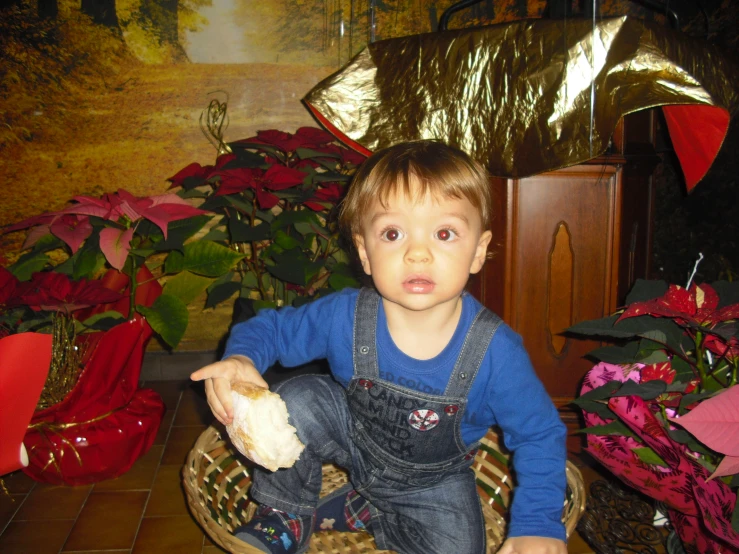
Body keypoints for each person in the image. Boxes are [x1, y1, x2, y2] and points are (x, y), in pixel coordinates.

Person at [191, 140, 568, 554]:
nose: (418, 253)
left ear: (478, 251)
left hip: (434, 483)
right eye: (393, 233)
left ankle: (366, 510)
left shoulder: (497, 351)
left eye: (444, 233)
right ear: (364, 253)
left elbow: (539, 434)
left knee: (461, 547)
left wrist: (538, 523)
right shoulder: (345, 315)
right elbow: (275, 331)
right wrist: (241, 358)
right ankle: (286, 514)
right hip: (354, 438)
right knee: (297, 398)